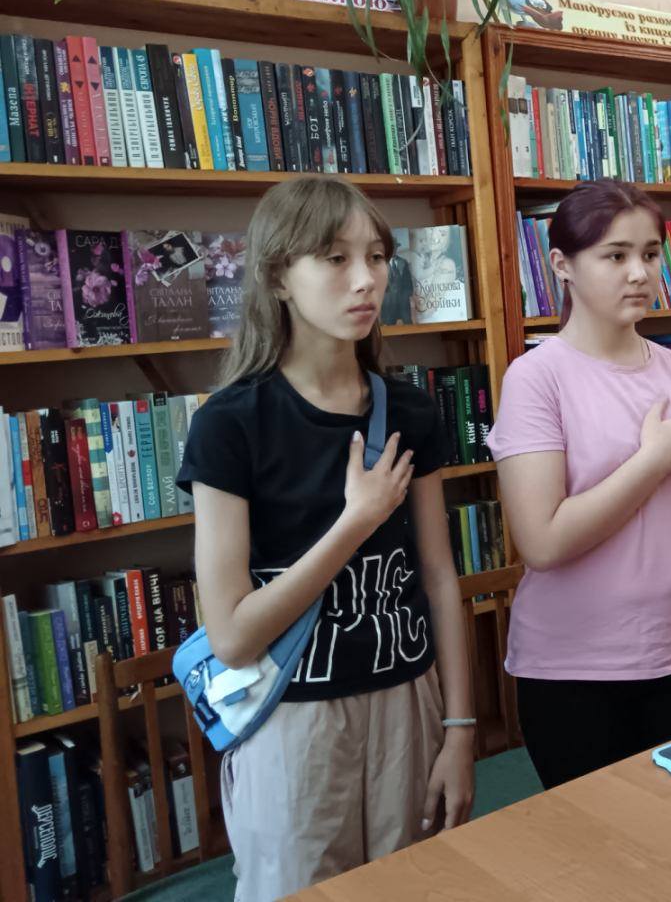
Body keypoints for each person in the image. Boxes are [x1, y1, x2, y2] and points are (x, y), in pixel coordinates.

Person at [178, 177, 474, 901]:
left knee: (411, 885)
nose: (366, 279)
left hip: (407, 698)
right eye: (335, 258)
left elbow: (439, 577)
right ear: (279, 276)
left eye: (376, 256)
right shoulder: (231, 423)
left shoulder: (409, 410)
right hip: (293, 717)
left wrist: (462, 729)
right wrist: (356, 522)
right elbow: (232, 636)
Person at [488, 180, 671, 790]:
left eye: (650, 254)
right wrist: (651, 462)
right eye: (615, 255)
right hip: (574, 672)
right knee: (599, 842)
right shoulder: (536, 378)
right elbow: (542, 542)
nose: (639, 272)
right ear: (562, 265)